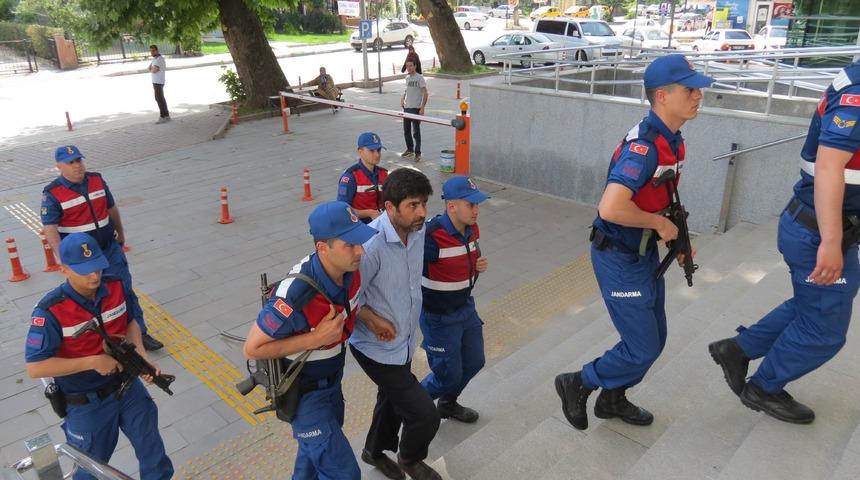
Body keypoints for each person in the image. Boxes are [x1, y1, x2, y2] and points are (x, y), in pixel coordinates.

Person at [554, 54, 714, 431]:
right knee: (642, 345)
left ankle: (612, 399)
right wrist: (658, 223)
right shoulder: (642, 148)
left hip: (643, 253)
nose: (698, 96)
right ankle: (578, 382)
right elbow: (610, 207)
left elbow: (664, 194)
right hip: (618, 256)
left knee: (655, 340)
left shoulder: (671, 140)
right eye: (690, 89)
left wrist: (679, 239)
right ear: (662, 96)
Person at [708, 59, 860, 424]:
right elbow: (828, 167)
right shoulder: (857, 94)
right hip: (818, 231)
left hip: (825, 226)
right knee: (824, 330)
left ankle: (738, 349)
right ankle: (763, 388)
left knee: (820, 302)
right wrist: (831, 240)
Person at [242, 201, 377, 479]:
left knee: (310, 460)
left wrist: (371, 318)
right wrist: (315, 338)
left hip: (332, 384)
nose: (360, 251)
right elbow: (252, 348)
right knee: (344, 474)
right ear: (322, 248)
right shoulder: (295, 295)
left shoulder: (350, 272)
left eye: (360, 242)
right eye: (350, 244)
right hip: (304, 396)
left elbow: (349, 306)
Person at [24, 233, 174, 480]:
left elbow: (131, 321)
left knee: (154, 455)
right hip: (87, 403)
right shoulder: (50, 310)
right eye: (84, 271)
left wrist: (141, 355)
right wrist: (92, 362)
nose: (94, 276)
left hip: (128, 387)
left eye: (97, 267)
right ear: (64, 270)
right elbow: (36, 367)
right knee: (89, 470)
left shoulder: (115, 285)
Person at [349, 168, 441, 480]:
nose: (422, 213)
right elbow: (348, 299)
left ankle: (373, 451)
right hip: (375, 347)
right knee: (424, 414)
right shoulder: (371, 246)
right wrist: (372, 319)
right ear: (390, 207)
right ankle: (410, 459)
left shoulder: (419, 230)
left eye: (424, 204)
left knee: (390, 398)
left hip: (403, 340)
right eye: (413, 206)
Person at [41, 145, 163, 352]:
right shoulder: (52, 193)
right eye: (71, 162)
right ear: (59, 166)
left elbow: (111, 208)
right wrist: (64, 259)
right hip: (83, 259)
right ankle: (103, 340)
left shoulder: (96, 179)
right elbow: (49, 228)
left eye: (79, 160)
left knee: (124, 289)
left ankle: (139, 333)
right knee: (91, 297)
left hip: (108, 249)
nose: (77, 165)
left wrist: (121, 233)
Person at [419, 176, 490, 423]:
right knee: (447, 375)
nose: (476, 210)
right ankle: (409, 409)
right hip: (438, 316)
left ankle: (447, 404)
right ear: (451, 207)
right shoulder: (430, 236)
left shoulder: (471, 228)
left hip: (465, 309)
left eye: (477, 204)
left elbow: (462, 257)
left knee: (475, 361)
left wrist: (476, 265)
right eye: (471, 204)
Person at [337, 132, 389, 224]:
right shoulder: (350, 177)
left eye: (379, 150)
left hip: (382, 223)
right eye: (372, 151)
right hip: (361, 227)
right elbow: (342, 209)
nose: (377, 155)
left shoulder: (384, 174)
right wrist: (369, 213)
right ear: (360, 152)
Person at [400, 60, 428, 161]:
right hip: (406, 108)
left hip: (416, 108)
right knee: (406, 131)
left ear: (415, 66)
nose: (409, 68)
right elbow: (406, 90)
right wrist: (402, 99)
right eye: (407, 66)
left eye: (411, 66)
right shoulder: (407, 78)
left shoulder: (420, 78)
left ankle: (418, 152)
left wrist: (422, 107)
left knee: (416, 132)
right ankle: (409, 149)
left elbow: (425, 93)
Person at [148, 45, 170, 124]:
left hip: (158, 82)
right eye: (151, 51)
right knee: (160, 98)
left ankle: (162, 116)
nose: (152, 52)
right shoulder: (155, 59)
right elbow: (149, 68)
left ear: (157, 50)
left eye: (153, 51)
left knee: (159, 99)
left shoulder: (159, 60)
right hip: (156, 81)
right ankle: (166, 115)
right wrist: (152, 69)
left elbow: (154, 70)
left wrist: (152, 69)